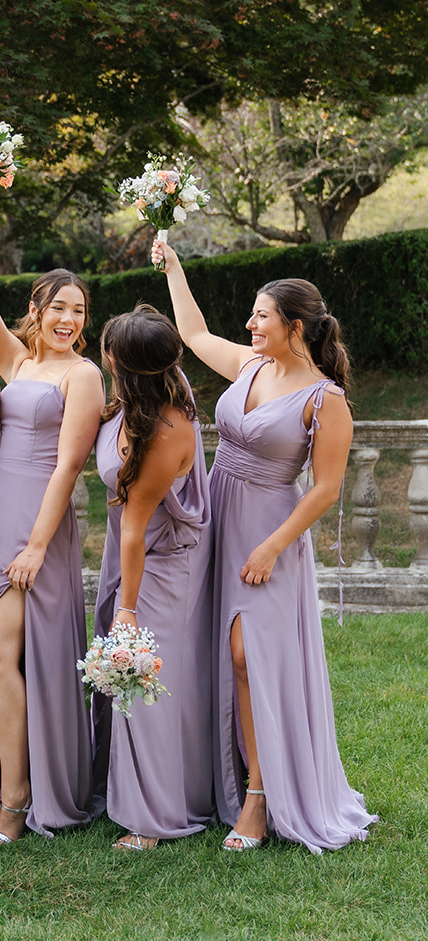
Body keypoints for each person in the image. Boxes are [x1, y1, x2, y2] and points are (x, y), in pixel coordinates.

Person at [158, 241, 376, 852]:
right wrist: (174, 267)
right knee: (210, 644)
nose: (250, 325)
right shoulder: (250, 368)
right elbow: (194, 333)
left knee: (247, 653)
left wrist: (273, 546)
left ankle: (259, 795)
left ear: (295, 328)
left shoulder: (325, 401)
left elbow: (326, 489)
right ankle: (210, 777)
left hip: (269, 529)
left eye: (261, 316)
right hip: (217, 514)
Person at [0, 182, 103, 841]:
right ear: (37, 310)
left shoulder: (83, 376)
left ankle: (16, 798)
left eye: (77, 310)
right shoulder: (15, 363)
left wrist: (38, 546)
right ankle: (8, 783)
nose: (67, 319)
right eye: (58, 307)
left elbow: (69, 464)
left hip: (39, 527)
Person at [92, 305, 213, 851]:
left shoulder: (164, 430)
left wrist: (127, 609)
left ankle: (153, 818)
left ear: (119, 362)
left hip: (161, 566)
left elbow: (136, 528)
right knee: (140, 686)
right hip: (131, 555)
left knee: (145, 683)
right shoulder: (136, 400)